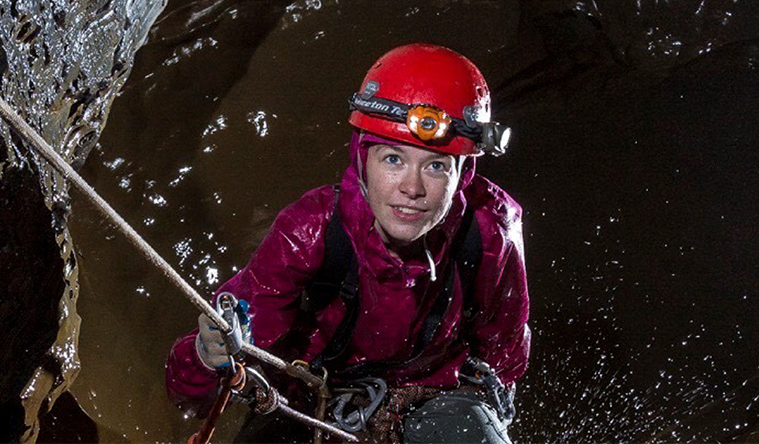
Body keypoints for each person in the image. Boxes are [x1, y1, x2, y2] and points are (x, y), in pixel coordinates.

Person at [164, 43, 529, 444]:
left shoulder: (489, 232)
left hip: (437, 401)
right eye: (393, 159)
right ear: (362, 158)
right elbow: (194, 395)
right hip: (316, 401)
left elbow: (503, 352)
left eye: (436, 166)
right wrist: (205, 356)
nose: (412, 187)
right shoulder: (309, 232)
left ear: (463, 175)